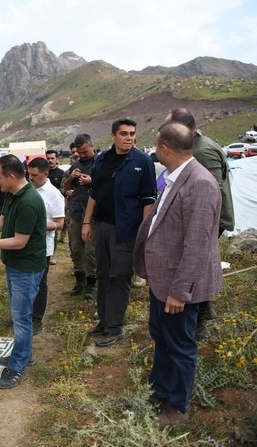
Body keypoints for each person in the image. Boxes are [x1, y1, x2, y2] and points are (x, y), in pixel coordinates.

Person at [133, 122, 222, 429]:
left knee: (181, 345)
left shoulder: (199, 183)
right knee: (162, 338)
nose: (155, 151)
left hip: (178, 285)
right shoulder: (175, 177)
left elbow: (197, 244)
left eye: (156, 146)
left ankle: (177, 407)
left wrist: (179, 291)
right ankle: (160, 391)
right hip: (163, 280)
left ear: (165, 149)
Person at [0, 155, 47, 389]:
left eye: (0, 177)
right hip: (15, 266)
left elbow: (19, 242)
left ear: (12, 177)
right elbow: (4, 219)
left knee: (22, 318)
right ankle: (23, 354)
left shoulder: (30, 201)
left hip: (26, 268)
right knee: (19, 315)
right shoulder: (13, 194)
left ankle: (18, 366)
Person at [82, 119, 158, 347]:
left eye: (132, 133)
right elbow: (94, 192)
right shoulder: (102, 159)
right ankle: (104, 322)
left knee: (119, 277)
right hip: (102, 226)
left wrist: (144, 232)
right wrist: (87, 222)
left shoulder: (143, 162)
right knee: (103, 274)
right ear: (112, 135)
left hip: (127, 230)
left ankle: (115, 328)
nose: (129, 138)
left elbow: (149, 200)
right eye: (124, 133)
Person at [165, 108, 235, 340]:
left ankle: (201, 319)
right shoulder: (201, 145)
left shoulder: (202, 151)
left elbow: (208, 191)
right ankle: (205, 309)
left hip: (208, 219)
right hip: (207, 217)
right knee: (200, 260)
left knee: (197, 262)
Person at [27, 157, 65, 335]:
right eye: (29, 174)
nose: (31, 178)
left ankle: (36, 318)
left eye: (34, 175)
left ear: (45, 174)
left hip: (43, 246)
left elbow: (59, 223)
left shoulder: (54, 194)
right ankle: (23, 313)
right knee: (24, 281)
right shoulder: (27, 189)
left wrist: (38, 225)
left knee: (39, 283)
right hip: (24, 244)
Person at [63, 134, 97, 299]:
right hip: (76, 210)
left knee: (90, 248)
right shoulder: (75, 164)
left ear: (91, 146)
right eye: (79, 152)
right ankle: (80, 279)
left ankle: (92, 282)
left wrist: (92, 181)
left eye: (84, 151)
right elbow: (66, 187)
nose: (82, 155)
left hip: (94, 212)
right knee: (76, 247)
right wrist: (71, 177)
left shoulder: (101, 162)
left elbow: (108, 185)